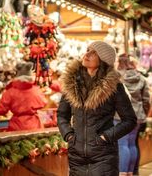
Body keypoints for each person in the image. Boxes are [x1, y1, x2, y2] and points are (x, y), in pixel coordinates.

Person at [57, 41, 137, 176]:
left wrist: (105, 137)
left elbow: (130, 120)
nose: (87, 54)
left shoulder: (113, 87)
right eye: (87, 50)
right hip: (76, 156)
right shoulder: (72, 84)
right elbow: (62, 115)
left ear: (103, 60)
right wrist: (69, 135)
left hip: (103, 155)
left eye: (93, 52)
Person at [116, 54, 150, 176]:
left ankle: (123, 172)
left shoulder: (117, 77)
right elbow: (146, 100)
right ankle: (131, 172)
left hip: (121, 116)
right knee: (131, 144)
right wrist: (143, 113)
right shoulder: (141, 78)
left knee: (122, 144)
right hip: (137, 115)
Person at [0, 61, 46, 131]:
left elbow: (1, 110)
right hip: (35, 126)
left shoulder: (10, 92)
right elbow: (44, 103)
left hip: (17, 126)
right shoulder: (36, 90)